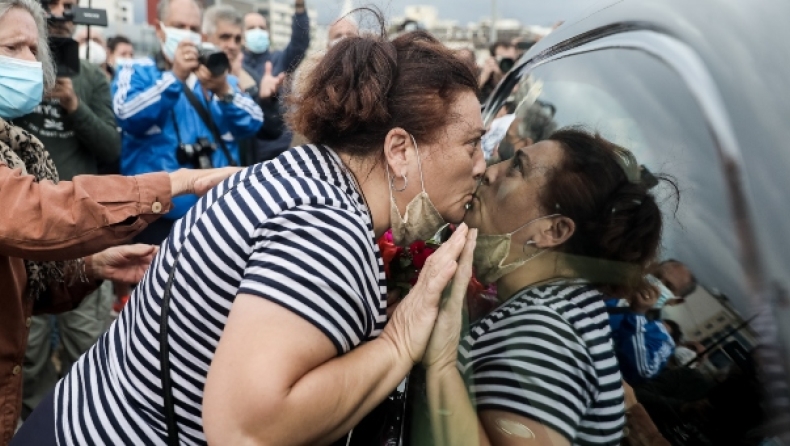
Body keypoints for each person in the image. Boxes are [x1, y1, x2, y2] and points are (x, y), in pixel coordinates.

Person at [16, 28, 485, 445]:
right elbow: (246, 431)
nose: (483, 165)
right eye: (472, 144)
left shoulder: (299, 177)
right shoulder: (327, 227)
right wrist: (399, 342)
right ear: (399, 149)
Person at [0, 0, 241, 442]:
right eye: (13, 48)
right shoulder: (140, 73)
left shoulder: (15, 140)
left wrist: (91, 266)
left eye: (35, 50)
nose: (30, 63)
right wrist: (172, 183)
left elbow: (20, 284)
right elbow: (27, 212)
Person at [422, 129, 673, 445]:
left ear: (553, 230)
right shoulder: (556, 308)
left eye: (517, 168)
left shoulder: (548, 330)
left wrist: (442, 362)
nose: (490, 170)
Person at [11, 0, 124, 420]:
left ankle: (82, 421)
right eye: (52, 5)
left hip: (79, 231)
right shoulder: (17, 76)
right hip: (24, 225)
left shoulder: (91, 76)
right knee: (29, 351)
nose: (60, 14)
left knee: (87, 342)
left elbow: (111, 148)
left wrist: (76, 107)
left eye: (69, 6)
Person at [113, 0, 263, 245]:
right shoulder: (137, 69)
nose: (187, 34)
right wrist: (175, 78)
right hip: (153, 216)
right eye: (179, 26)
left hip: (213, 216)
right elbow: (126, 113)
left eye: (193, 28)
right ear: (160, 29)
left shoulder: (217, 78)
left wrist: (223, 90)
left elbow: (254, 121)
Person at [204, 5, 284, 165]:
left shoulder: (250, 78)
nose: (232, 45)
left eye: (237, 39)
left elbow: (271, 131)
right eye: (225, 37)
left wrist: (267, 102)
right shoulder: (191, 77)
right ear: (206, 38)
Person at [242, 3, 310, 162]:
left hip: (281, 148)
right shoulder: (236, 66)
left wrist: (300, 10)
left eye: (262, 28)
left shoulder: (279, 59)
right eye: (251, 28)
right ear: (242, 35)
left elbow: (299, 43)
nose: (257, 31)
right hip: (250, 152)